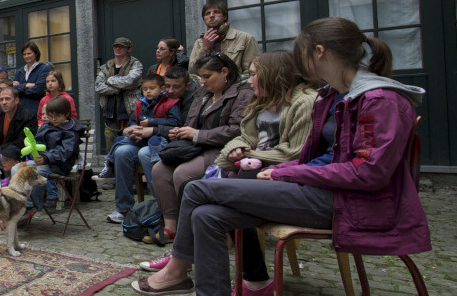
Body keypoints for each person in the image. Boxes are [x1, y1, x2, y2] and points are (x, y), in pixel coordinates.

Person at [132, 17, 429, 296]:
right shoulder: (335, 96)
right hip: (323, 190)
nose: (296, 61)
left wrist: (288, 171)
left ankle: (178, 270)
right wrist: (284, 170)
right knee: (207, 214)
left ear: (318, 52)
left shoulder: (378, 99)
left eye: (299, 53)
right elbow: (323, 154)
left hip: (351, 203)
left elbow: (369, 173)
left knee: (199, 189)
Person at [139, 51, 318, 282]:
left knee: (196, 190)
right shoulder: (260, 99)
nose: (249, 80)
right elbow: (245, 135)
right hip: (245, 163)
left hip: (279, 172)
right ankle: (249, 278)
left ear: (273, 75)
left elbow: (296, 152)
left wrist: (234, 154)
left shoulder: (303, 101)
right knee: (189, 188)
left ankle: (183, 266)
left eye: (254, 74)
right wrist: (233, 152)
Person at [148, 52, 253, 241]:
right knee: (159, 170)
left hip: (225, 151)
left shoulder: (242, 93)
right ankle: (171, 227)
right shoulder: (204, 93)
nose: (202, 81)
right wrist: (179, 133)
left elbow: (238, 130)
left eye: (207, 76)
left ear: (224, 72)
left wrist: (196, 134)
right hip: (195, 148)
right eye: (201, 76)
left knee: (182, 173)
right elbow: (191, 123)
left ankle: (193, 234)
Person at [107, 66, 198, 223]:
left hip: (171, 146)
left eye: (176, 87)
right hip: (143, 140)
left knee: (145, 153)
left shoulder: (192, 101)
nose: (170, 90)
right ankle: (123, 208)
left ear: (187, 85)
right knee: (122, 152)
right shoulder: (150, 100)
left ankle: (162, 207)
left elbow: (179, 127)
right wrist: (129, 129)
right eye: (167, 86)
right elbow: (134, 120)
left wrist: (153, 129)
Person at [11, 96, 84, 221]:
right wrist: (33, 153)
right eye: (51, 116)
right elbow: (37, 144)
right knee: (16, 168)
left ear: (66, 114)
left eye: (57, 116)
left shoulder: (70, 131)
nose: (53, 119)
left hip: (60, 165)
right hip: (43, 161)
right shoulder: (46, 126)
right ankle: (21, 203)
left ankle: (33, 205)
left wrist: (46, 158)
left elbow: (65, 152)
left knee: (33, 173)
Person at [95, 37, 144, 176]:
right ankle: (113, 175)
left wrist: (110, 81)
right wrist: (119, 88)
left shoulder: (135, 64)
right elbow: (98, 87)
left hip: (130, 112)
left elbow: (131, 80)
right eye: (116, 46)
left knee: (131, 144)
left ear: (129, 49)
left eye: (121, 46)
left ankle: (135, 178)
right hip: (111, 112)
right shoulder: (106, 66)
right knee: (111, 144)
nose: (118, 49)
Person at [105, 73, 182, 160]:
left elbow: (175, 122)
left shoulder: (170, 103)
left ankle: (156, 164)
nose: (148, 91)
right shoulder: (140, 104)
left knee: (155, 141)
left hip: (159, 136)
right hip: (140, 137)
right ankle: (110, 163)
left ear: (162, 89)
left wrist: (152, 122)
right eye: (145, 89)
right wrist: (133, 128)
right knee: (119, 139)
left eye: (152, 88)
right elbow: (133, 121)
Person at [188, 1, 259, 77]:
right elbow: (192, 72)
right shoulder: (199, 42)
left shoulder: (245, 38)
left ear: (224, 17)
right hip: (208, 86)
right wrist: (205, 48)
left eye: (216, 12)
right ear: (204, 20)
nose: (211, 16)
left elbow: (251, 71)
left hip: (236, 86)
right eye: (207, 14)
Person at [0, 83, 38, 174]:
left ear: (16, 100)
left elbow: (22, 142)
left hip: (19, 152)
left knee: (8, 155)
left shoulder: (28, 116)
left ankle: (9, 185)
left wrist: (2, 150)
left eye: (7, 99)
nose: (4, 102)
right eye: (1, 99)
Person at [13, 41, 53, 119]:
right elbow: (13, 90)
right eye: (24, 54)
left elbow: (38, 90)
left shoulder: (44, 69)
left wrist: (20, 88)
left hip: (35, 110)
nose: (26, 56)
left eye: (29, 53)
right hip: (19, 111)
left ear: (36, 54)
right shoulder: (20, 71)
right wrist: (26, 85)